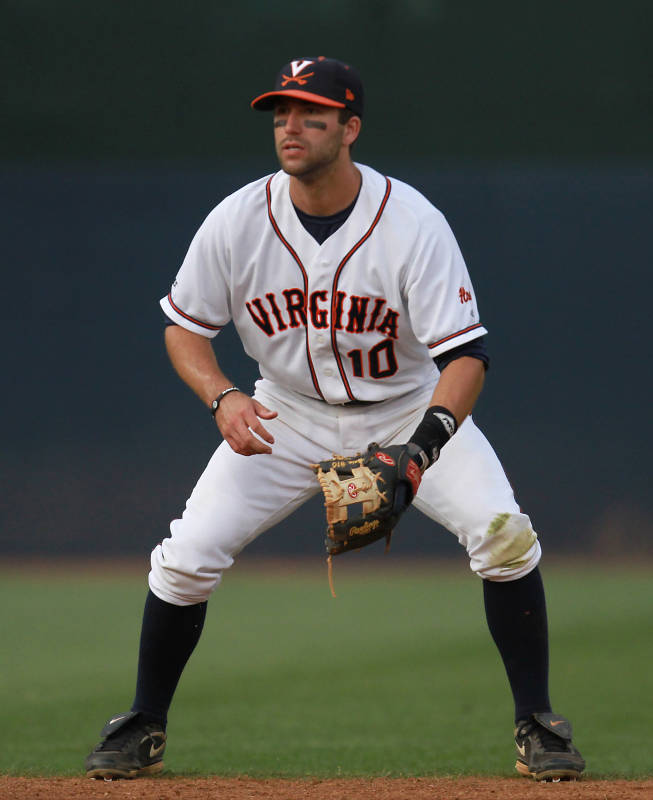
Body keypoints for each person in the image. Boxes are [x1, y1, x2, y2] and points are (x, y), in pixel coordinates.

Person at [85, 56, 585, 782]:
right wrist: (223, 396)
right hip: (283, 411)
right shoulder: (236, 220)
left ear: (348, 128)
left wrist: (421, 448)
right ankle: (143, 722)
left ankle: (537, 722)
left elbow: (465, 357)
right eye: (281, 114)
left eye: (311, 115)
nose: (290, 127)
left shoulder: (410, 221)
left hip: (407, 407)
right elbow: (183, 326)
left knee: (503, 537)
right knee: (187, 557)